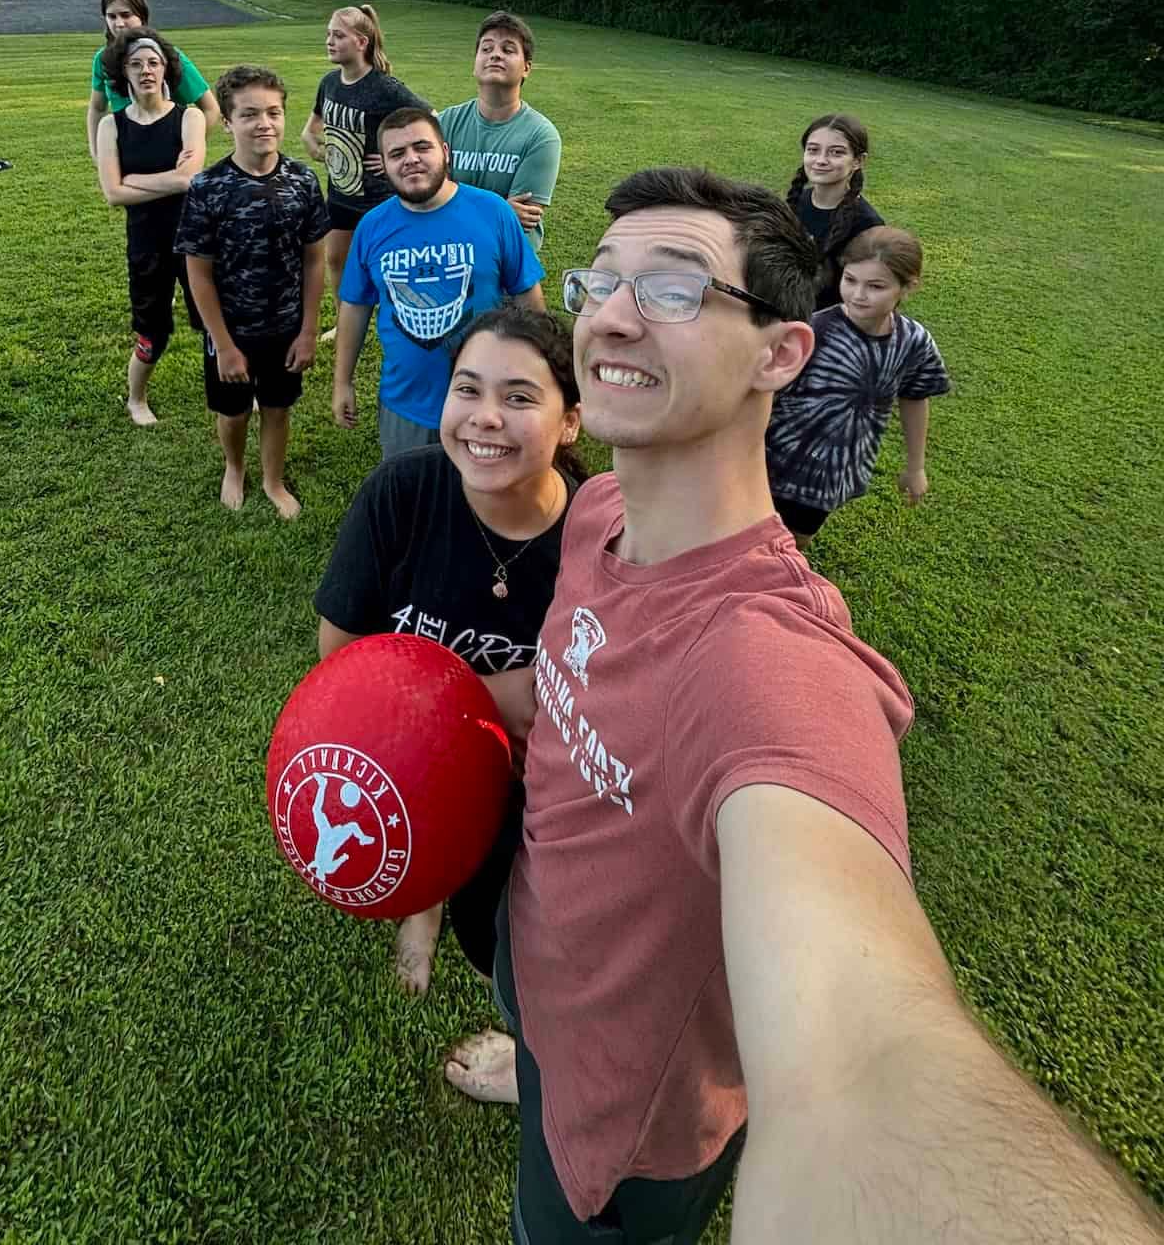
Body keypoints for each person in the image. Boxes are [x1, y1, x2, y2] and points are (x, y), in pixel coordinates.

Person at [462, 165, 1161, 1245]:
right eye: (597, 279)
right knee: (537, 1029)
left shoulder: (771, 670)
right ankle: (535, 1060)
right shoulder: (599, 507)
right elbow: (574, 688)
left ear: (783, 353)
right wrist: (442, 701)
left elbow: (865, 1058)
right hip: (541, 955)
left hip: (633, 1128)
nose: (607, 313)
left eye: (676, 288)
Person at [315, 307, 585, 995]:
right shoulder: (402, 492)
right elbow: (339, 660)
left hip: (534, 790)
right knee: (433, 866)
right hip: (407, 763)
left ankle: (515, 1039)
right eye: (467, 390)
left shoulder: (597, 541)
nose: (484, 417)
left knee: (506, 944)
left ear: (571, 422)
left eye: (519, 397)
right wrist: (491, 698)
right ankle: (422, 904)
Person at [331, 109, 546, 459]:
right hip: (406, 404)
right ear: (383, 165)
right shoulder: (372, 226)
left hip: (489, 398)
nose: (411, 160)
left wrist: (543, 373)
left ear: (445, 152)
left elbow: (528, 297)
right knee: (413, 501)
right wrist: (343, 382)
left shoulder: (492, 211)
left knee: (486, 502)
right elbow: (355, 308)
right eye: (397, 154)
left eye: (422, 147)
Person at [174, 66, 328, 519]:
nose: (264, 123)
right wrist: (222, 344)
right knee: (234, 411)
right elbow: (198, 274)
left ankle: (272, 479)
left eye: (274, 112)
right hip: (231, 330)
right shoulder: (208, 187)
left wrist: (308, 330)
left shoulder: (303, 181)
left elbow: (314, 260)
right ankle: (235, 467)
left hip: (285, 327)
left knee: (278, 407)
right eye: (249, 114)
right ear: (227, 121)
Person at [767, 225, 950, 549]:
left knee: (793, 544)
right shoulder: (813, 331)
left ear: (907, 287)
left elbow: (915, 398)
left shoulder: (914, 342)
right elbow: (765, 390)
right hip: (775, 460)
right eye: (850, 280)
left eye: (875, 286)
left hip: (835, 471)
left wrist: (915, 466)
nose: (857, 294)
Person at [93, 30, 208, 427]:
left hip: (195, 238)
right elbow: (112, 194)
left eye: (153, 63)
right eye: (137, 64)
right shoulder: (111, 126)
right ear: (123, 72)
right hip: (146, 242)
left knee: (214, 320)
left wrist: (131, 179)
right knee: (151, 329)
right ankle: (136, 399)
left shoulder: (189, 117)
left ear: (165, 71)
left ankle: (241, 386)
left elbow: (189, 179)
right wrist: (161, 180)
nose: (146, 70)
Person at [300, 5, 428, 298]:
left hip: (378, 198)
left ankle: (396, 316)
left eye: (339, 36)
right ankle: (344, 321)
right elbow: (313, 126)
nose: (330, 41)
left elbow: (430, 119)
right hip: (340, 194)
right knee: (337, 261)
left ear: (361, 42)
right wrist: (309, 139)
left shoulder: (385, 88)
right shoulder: (329, 83)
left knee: (388, 268)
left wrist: (392, 158)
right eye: (328, 35)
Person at [438, 11, 562, 254]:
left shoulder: (541, 135)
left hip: (508, 268)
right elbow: (427, 201)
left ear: (526, 68)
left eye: (508, 49)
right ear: (474, 63)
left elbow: (519, 222)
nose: (495, 54)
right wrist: (500, 209)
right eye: (486, 49)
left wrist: (453, 203)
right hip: (449, 258)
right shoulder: (444, 123)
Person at [86, 0, 220, 161]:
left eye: (126, 15)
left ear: (141, 15)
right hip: (126, 155)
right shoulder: (103, 60)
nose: (119, 24)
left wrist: (189, 148)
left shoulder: (169, 57)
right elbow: (97, 107)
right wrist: (97, 153)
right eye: (112, 16)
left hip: (168, 157)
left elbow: (210, 108)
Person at [784, 111, 883, 307]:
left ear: (858, 161)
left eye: (836, 152)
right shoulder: (795, 202)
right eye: (813, 150)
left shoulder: (867, 225)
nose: (821, 160)